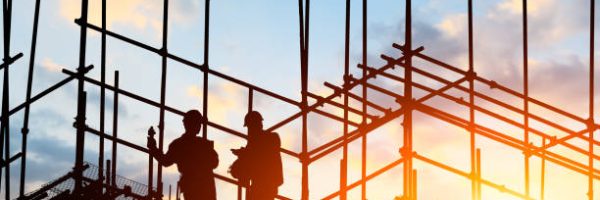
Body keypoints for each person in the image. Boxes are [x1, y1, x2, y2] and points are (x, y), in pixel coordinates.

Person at [147, 110, 218, 200]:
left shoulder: (178, 144)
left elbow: (165, 161)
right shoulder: (201, 144)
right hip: (204, 188)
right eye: (198, 123)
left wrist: (153, 148)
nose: (200, 126)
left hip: (193, 187)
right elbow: (215, 163)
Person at [239, 111, 283, 200]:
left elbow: (263, 155)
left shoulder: (271, 137)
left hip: (267, 183)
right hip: (259, 183)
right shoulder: (254, 142)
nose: (249, 129)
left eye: (250, 126)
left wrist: (245, 153)